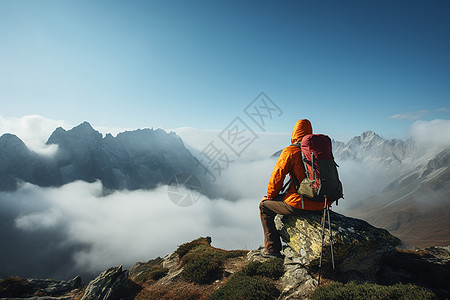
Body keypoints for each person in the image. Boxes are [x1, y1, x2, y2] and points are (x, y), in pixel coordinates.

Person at [259, 119, 331, 258]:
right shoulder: (318, 151)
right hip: (323, 202)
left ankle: (272, 249)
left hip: (300, 203)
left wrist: (269, 196)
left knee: (264, 207)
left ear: (294, 133)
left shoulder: (291, 151)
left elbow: (277, 177)